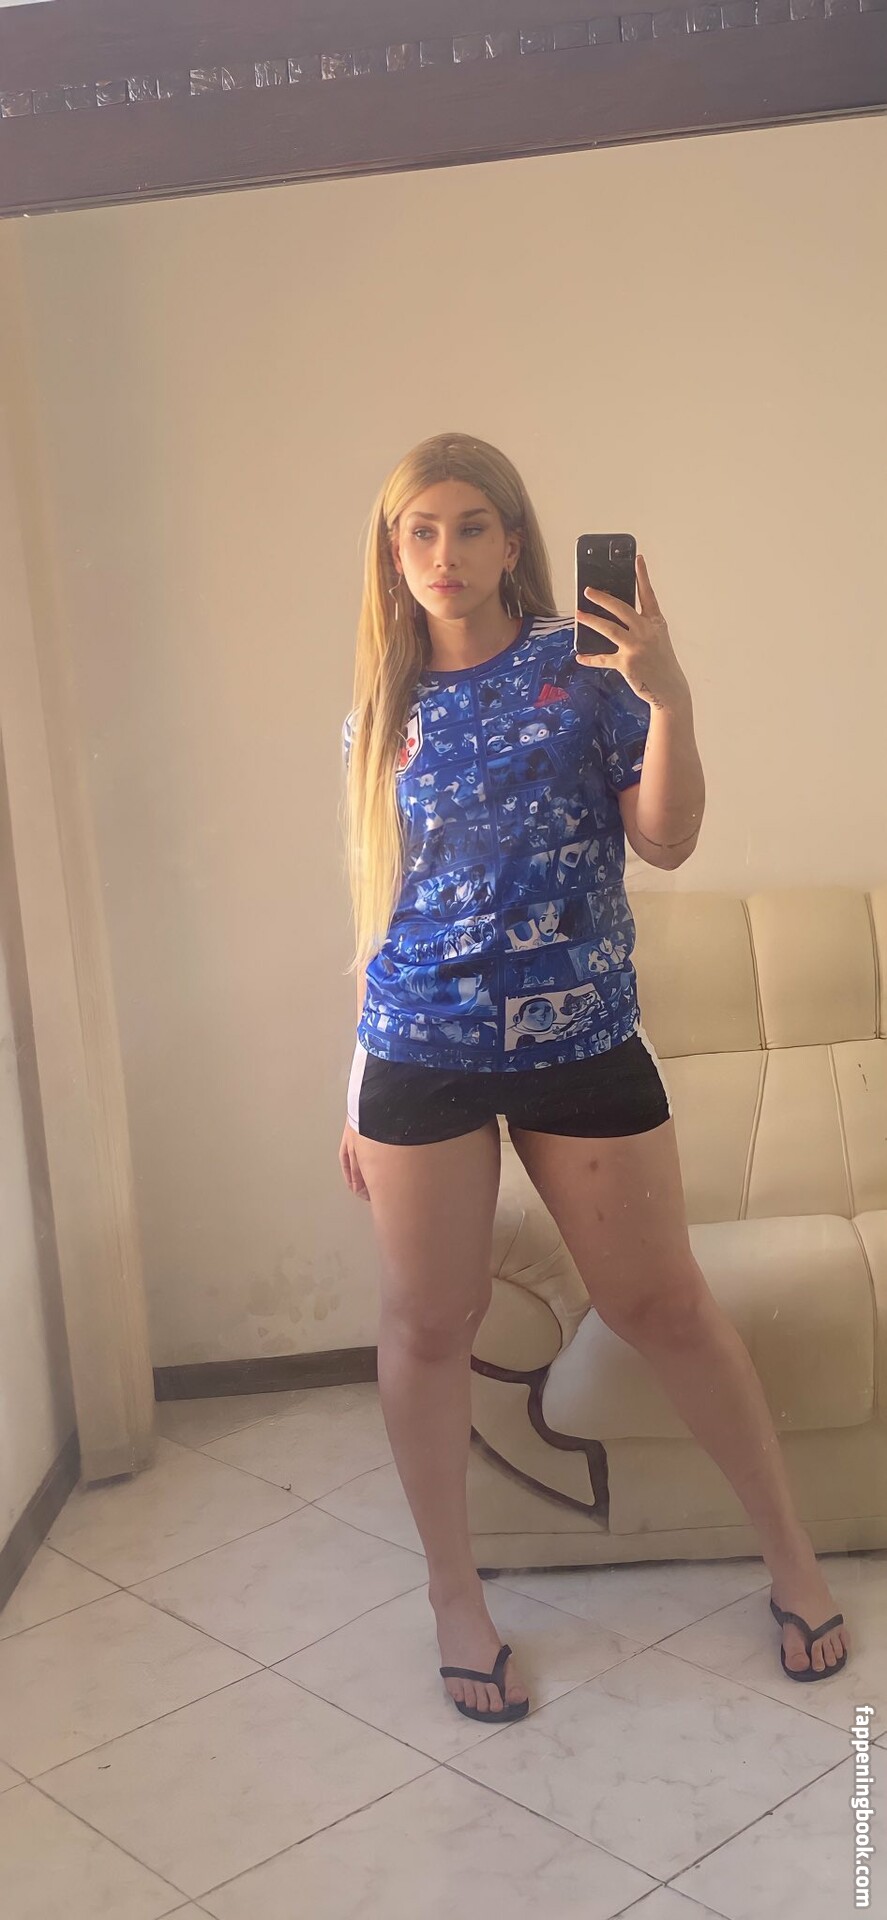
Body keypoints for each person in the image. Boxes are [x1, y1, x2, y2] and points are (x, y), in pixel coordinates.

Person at [338, 431, 850, 1724]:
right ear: (393, 555)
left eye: (470, 526)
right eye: (419, 531)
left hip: (582, 1041)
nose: (445, 554)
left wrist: (670, 698)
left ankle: (791, 1557)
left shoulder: (588, 667)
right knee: (427, 1326)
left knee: (662, 1304)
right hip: (419, 1051)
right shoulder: (379, 706)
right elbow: (384, 903)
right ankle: (456, 1599)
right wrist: (354, 1085)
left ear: (514, 538)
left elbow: (667, 842)